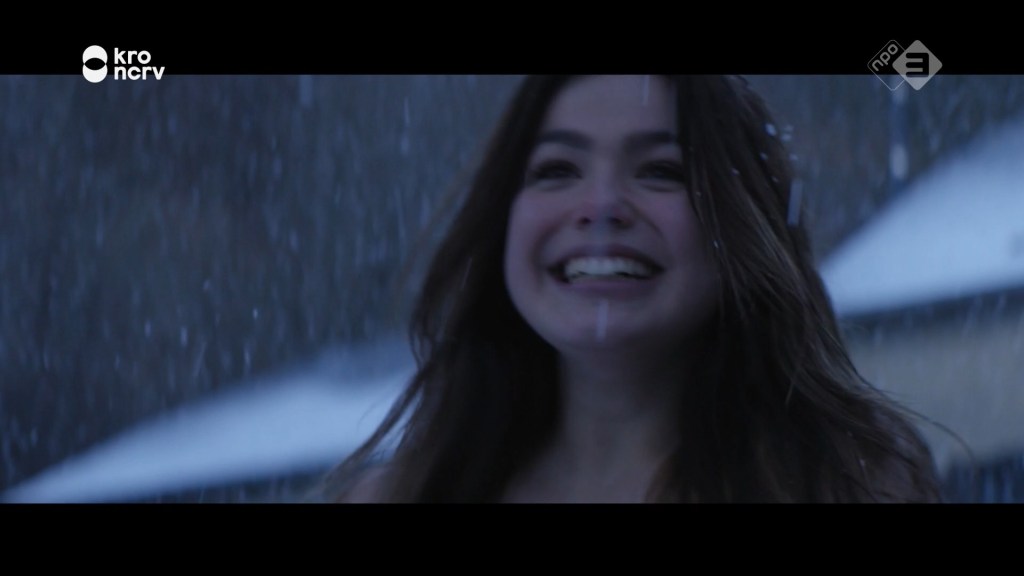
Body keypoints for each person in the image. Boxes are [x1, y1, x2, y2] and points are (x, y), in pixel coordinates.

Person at [319, 75, 942, 503]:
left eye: (661, 170)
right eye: (557, 169)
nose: (601, 206)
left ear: (739, 223)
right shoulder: (396, 498)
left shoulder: (846, 489)